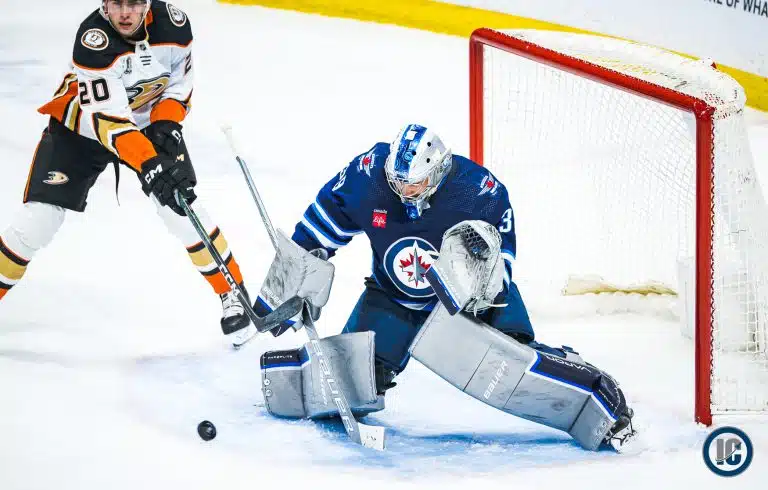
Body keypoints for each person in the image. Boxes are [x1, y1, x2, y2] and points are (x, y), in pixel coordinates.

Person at [255, 123, 636, 451]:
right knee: (351, 380)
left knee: (514, 362)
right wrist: (294, 283)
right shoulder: (367, 175)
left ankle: (584, 382)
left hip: (471, 302)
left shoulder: (477, 191)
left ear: (437, 171)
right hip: (393, 297)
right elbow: (318, 228)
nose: (404, 191)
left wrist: (481, 289)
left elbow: (501, 261)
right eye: (398, 181)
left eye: (415, 182)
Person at [0, 1, 253, 344]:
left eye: (133, 3)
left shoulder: (175, 27)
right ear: (104, 4)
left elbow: (179, 84)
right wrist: (150, 164)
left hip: (148, 125)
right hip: (82, 127)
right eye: (116, 2)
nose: (124, 12)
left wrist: (166, 124)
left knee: (181, 207)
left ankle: (232, 291)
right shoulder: (93, 42)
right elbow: (109, 123)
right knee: (38, 221)